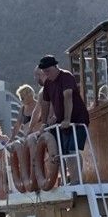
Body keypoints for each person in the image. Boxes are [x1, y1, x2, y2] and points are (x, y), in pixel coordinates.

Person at [35, 55, 90, 186]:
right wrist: (44, 123)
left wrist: (67, 119)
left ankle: (77, 180)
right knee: (64, 152)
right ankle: (70, 180)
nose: (46, 74)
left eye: (48, 71)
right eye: (44, 72)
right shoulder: (48, 83)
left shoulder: (66, 76)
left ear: (55, 67)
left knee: (72, 149)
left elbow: (68, 96)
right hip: (62, 124)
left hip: (77, 120)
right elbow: (45, 103)